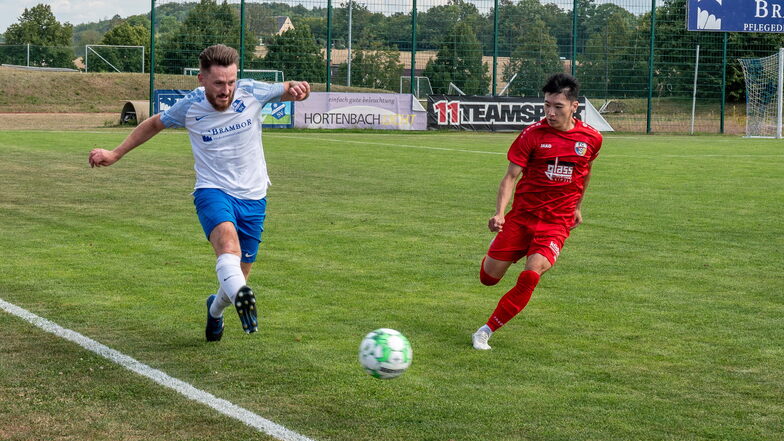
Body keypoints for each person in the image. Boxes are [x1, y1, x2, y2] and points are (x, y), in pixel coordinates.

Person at [88, 44, 311, 342]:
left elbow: (285, 88)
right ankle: (241, 295)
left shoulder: (252, 92)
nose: (226, 90)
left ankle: (215, 310)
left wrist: (299, 89)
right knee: (227, 247)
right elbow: (154, 123)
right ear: (201, 79)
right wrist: (115, 153)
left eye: (231, 82)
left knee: (237, 278)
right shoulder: (190, 106)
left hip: (254, 196)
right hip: (213, 190)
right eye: (219, 83)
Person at [472, 73, 602, 350]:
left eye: (558, 107)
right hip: (521, 219)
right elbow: (510, 177)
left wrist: (577, 207)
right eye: (546, 106)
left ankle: (485, 331)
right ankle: (508, 250)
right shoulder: (532, 135)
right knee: (488, 278)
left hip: (556, 223)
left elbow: (585, 172)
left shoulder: (591, 138)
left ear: (574, 106)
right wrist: (499, 213)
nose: (551, 112)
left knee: (531, 274)